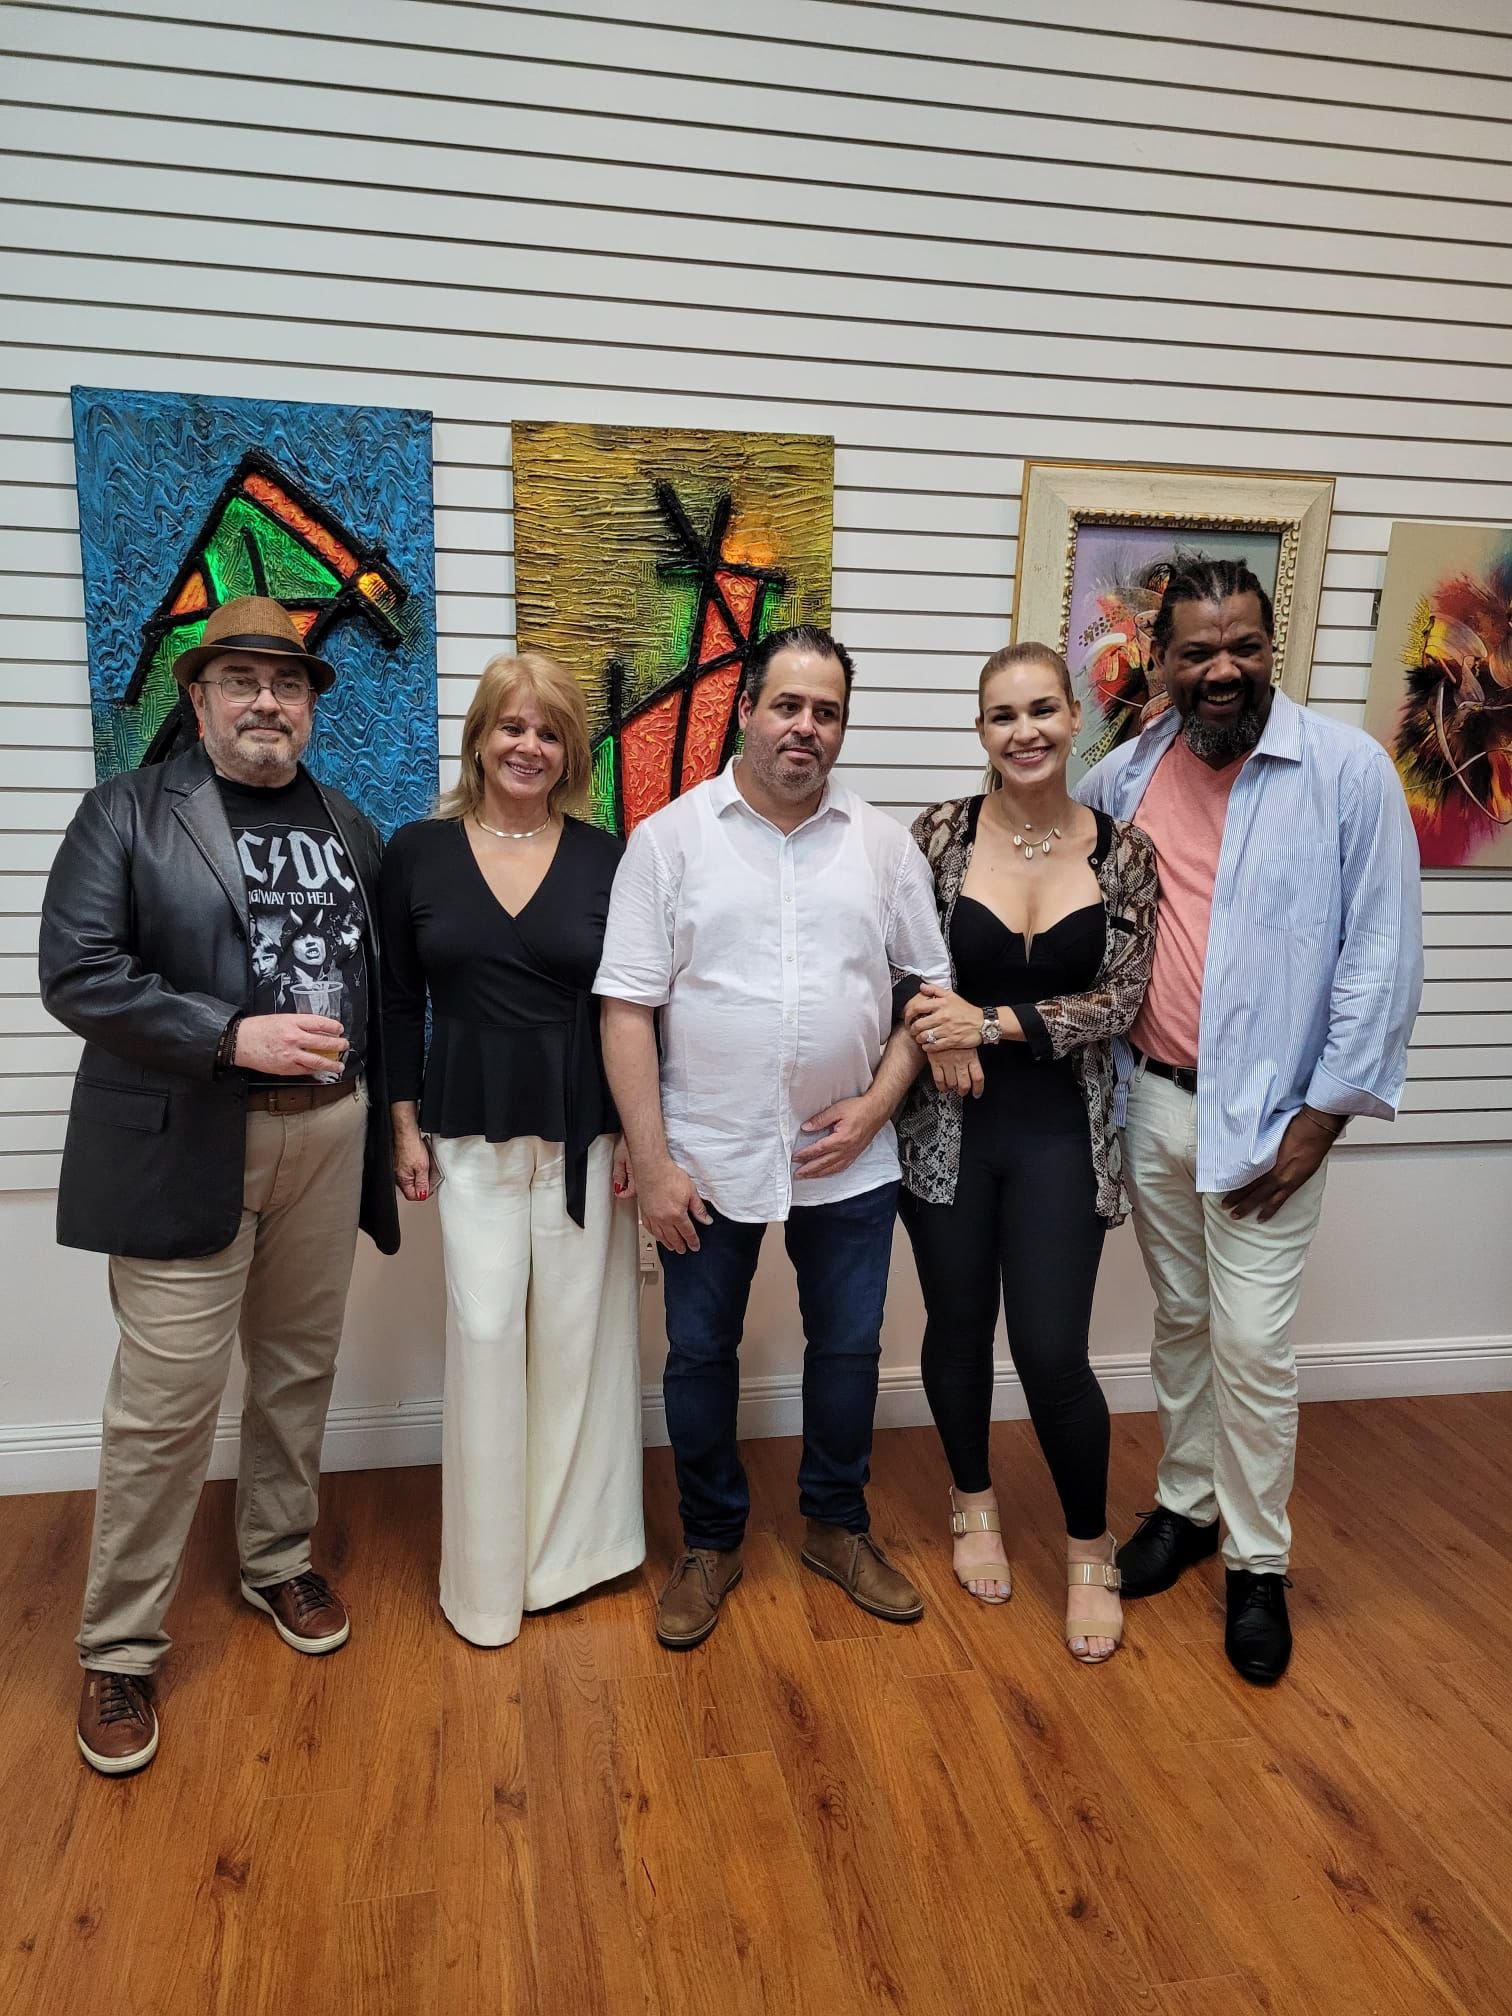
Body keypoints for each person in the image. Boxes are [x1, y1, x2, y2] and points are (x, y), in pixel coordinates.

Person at [39, 595, 398, 1776]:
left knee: (298, 1370)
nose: (265, 702)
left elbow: (383, 986)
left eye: (286, 684)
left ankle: (277, 1560)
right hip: (186, 1138)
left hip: (328, 1136)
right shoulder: (126, 813)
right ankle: (119, 1648)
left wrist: (386, 1111)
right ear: (197, 701)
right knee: (164, 1408)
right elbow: (77, 971)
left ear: (309, 708)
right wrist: (229, 1036)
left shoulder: (351, 825)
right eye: (239, 680)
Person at [1077, 556, 1423, 1683]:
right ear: (1160, 662)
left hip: (1275, 1122)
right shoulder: (1125, 775)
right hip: (1150, 1101)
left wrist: (1320, 1125)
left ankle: (1259, 1564)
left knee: (1254, 1344)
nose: (1221, 670)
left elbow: (1379, 959)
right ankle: (1187, 1506)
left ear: (1271, 646)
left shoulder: (1347, 773)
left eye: (1242, 646)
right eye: (1197, 652)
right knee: (1181, 1319)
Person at [595, 624, 953, 1649]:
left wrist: (878, 1105)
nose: (806, 727)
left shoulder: (881, 846)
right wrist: (653, 1161)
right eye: (787, 705)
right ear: (746, 710)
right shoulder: (669, 841)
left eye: (826, 712)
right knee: (700, 1353)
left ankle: (837, 1527)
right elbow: (626, 1007)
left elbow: (929, 994)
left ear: (842, 728)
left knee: (847, 1349)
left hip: (849, 1156)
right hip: (705, 1157)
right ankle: (710, 1542)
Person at [895, 642, 1159, 1663]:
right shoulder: (937, 836)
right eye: (1003, 716)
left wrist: (990, 1024)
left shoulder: (1124, 852)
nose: (1025, 731)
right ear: (981, 732)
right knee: (959, 1325)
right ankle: (972, 1501)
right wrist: (939, 1031)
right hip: (947, 1132)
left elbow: (1120, 999)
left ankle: (1090, 1544)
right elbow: (896, 961)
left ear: (1075, 716)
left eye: (1042, 709)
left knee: (1052, 1351)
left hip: (1061, 1129)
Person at [381, 653, 643, 1647]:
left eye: (549, 733)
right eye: (512, 727)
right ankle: (487, 1582)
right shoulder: (418, 852)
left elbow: (634, 1005)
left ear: (570, 754)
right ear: (480, 739)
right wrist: (401, 1123)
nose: (529, 746)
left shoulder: (607, 857)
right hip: (466, 1131)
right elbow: (396, 1001)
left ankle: (568, 1560)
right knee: (486, 1336)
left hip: (587, 1132)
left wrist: (642, 1134)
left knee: (579, 1347)